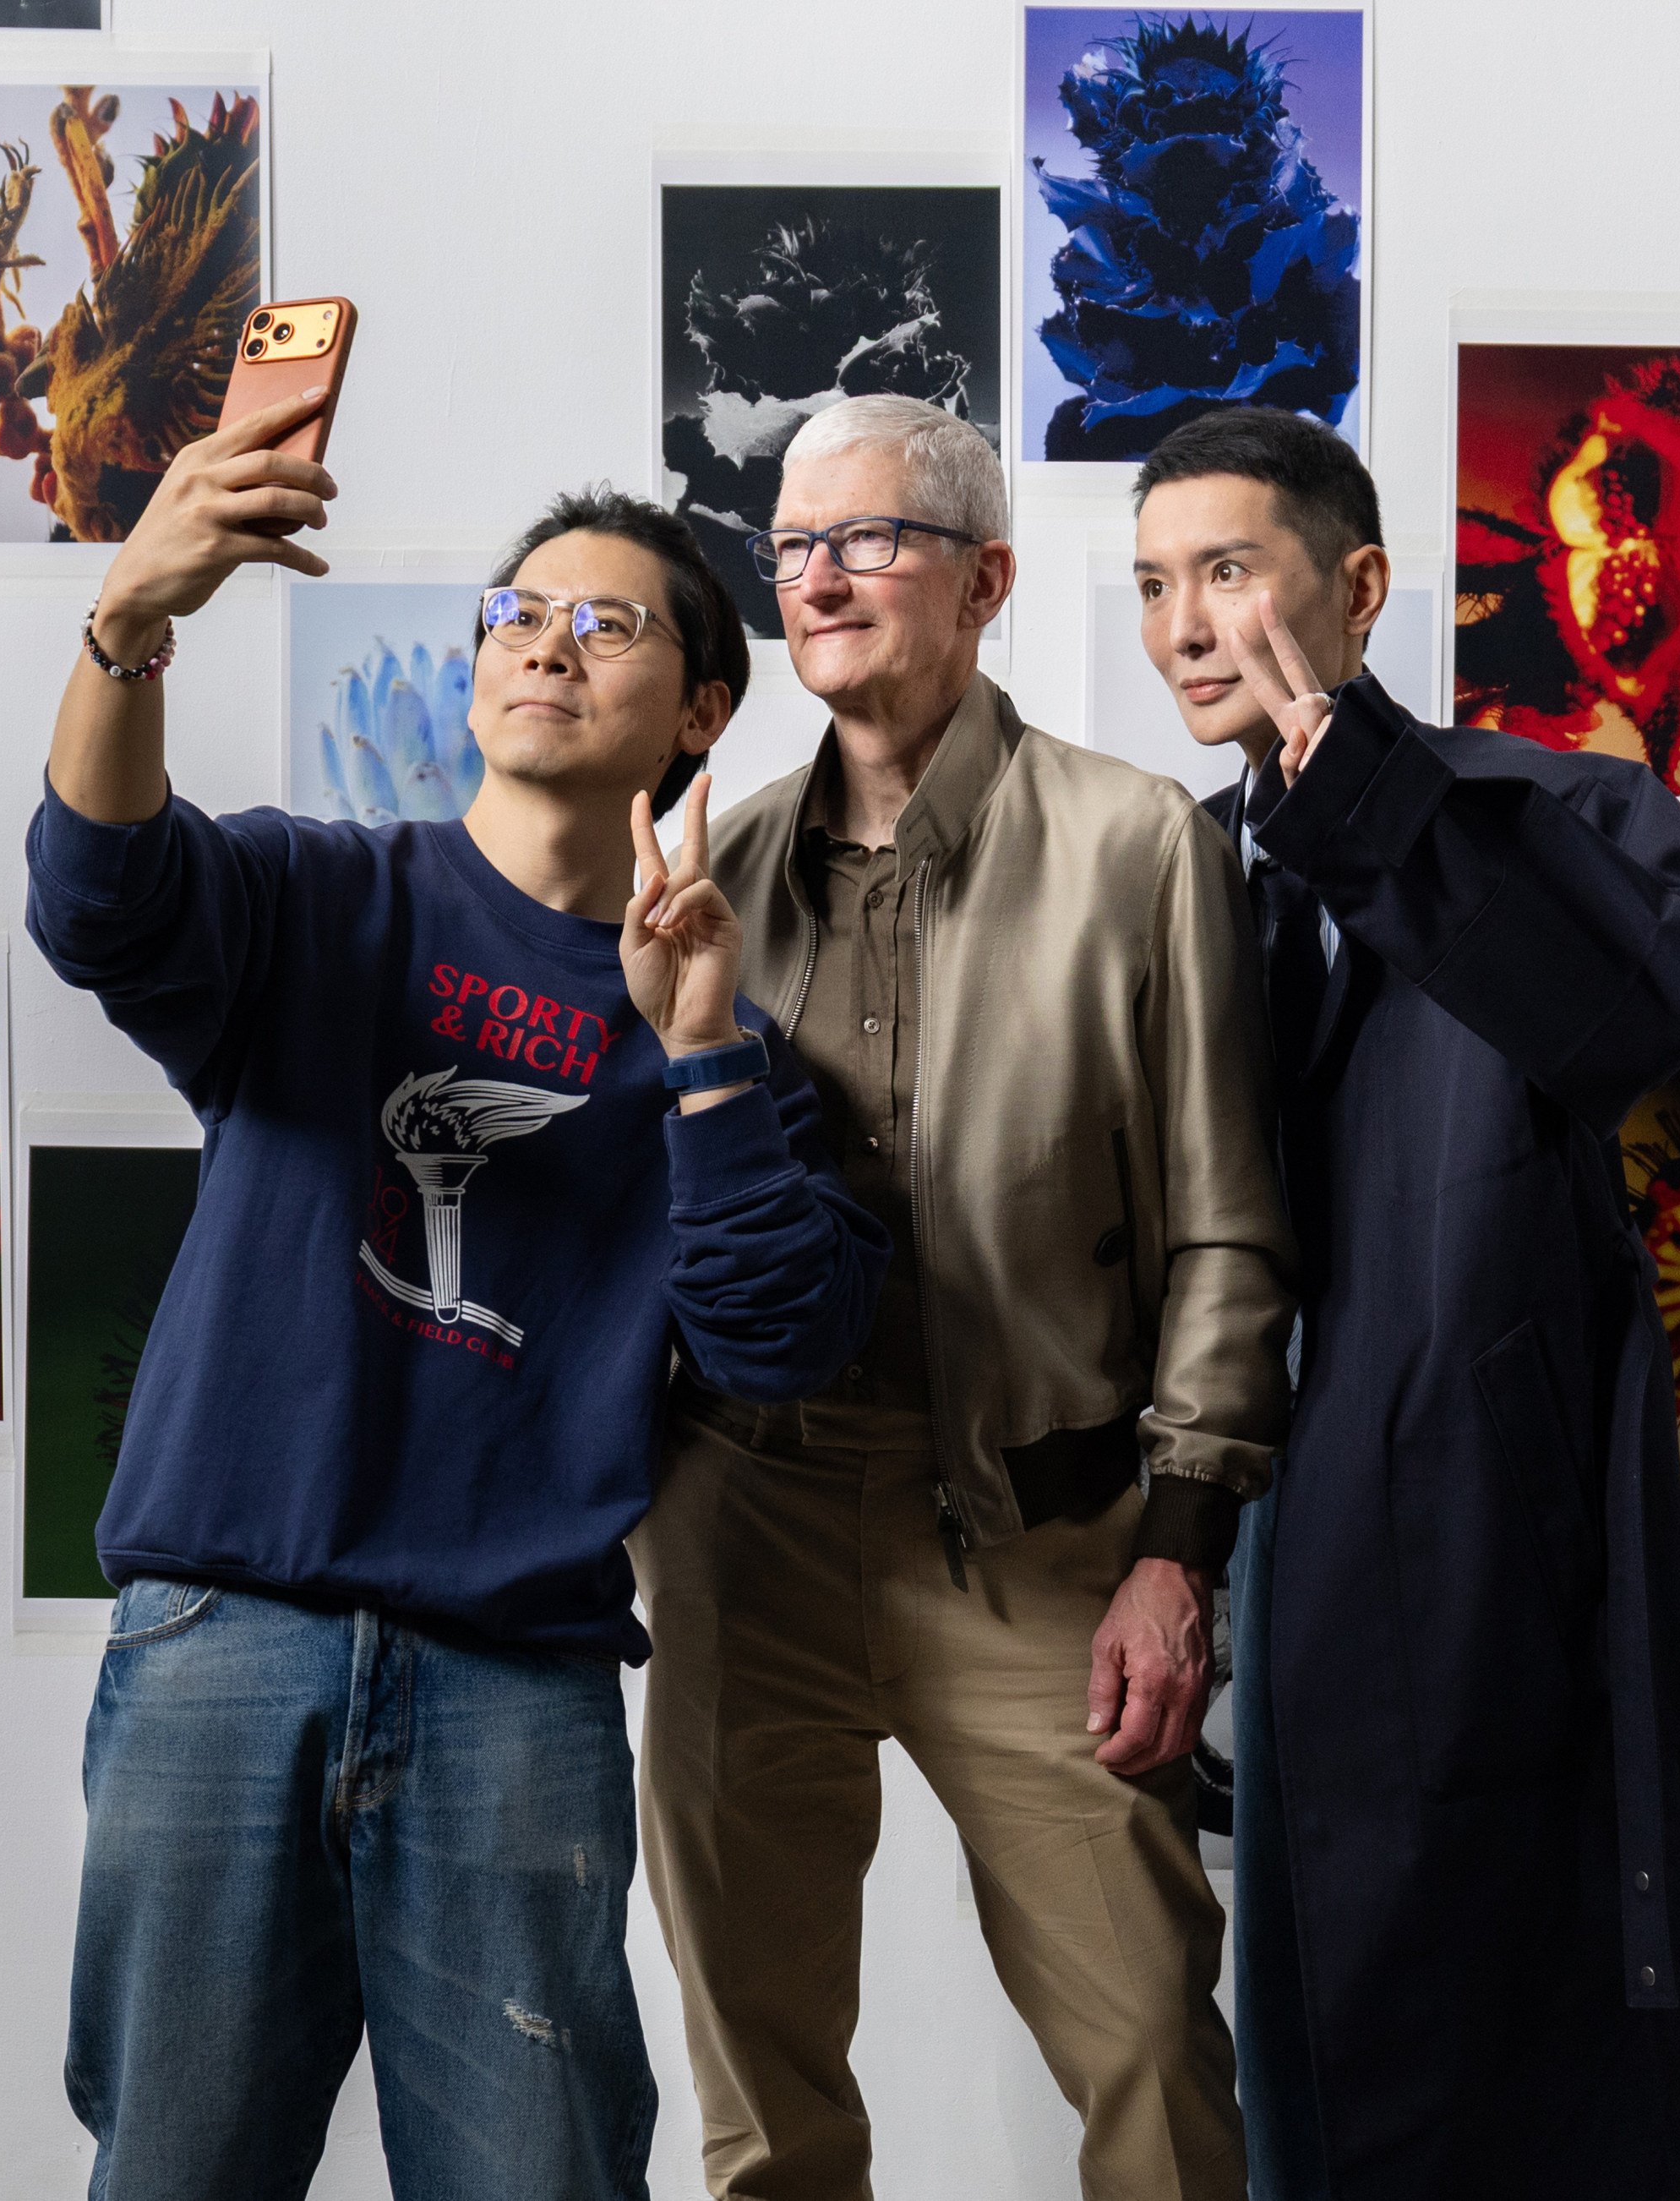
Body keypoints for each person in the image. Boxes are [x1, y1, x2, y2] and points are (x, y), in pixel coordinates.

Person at [25, 386, 889, 2201]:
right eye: (517, 613)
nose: (547, 647)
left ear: (703, 710)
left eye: (609, 622)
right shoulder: (312, 899)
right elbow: (96, 894)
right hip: (223, 1641)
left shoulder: (729, 1043)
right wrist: (130, 619)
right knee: (173, 2169)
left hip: (517, 1679)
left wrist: (706, 1053)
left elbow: (772, 1341)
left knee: (538, 2177)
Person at [632, 392, 1295, 2201]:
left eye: (867, 541)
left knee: (1153, 2055)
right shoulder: (711, 873)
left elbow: (1227, 1228)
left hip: (1042, 1538)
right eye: (787, 549)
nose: (817, 580)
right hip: (742, 1536)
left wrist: (1181, 1547)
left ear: (985, 578)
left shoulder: (1136, 842)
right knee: (763, 2108)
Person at [1126, 405, 1680, 2196]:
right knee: (1298, 2056)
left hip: (1485, 1541)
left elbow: (1620, 1019)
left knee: (1527, 2059)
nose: (1183, 627)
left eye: (1227, 573)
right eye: (1155, 584)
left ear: (1362, 587)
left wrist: (1367, 807)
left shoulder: (1556, 808)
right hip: (1227, 1520)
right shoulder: (1165, 864)